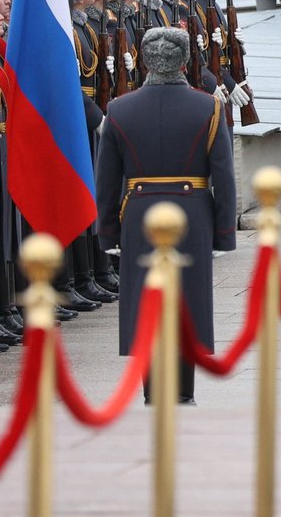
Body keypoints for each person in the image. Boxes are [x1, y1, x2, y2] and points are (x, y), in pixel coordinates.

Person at [96, 27, 237, 405]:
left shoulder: (119, 109)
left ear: (142, 60)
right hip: (191, 213)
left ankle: (152, 390)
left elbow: (107, 181)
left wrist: (108, 233)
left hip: (139, 213)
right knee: (186, 302)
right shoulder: (208, 107)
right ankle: (183, 391)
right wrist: (224, 233)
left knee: (145, 303)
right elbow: (223, 174)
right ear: (187, 60)